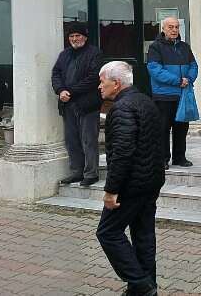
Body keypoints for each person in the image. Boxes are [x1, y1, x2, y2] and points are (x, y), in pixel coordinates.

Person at [96, 61, 164, 296]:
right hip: (150, 181)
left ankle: (141, 284)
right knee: (143, 235)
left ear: (116, 83)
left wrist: (111, 190)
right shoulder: (145, 101)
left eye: (102, 82)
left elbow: (122, 153)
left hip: (132, 185)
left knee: (108, 232)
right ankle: (146, 287)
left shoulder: (122, 108)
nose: (99, 87)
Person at [51, 22, 104, 187]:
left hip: (88, 104)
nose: (74, 39)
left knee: (88, 140)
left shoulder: (95, 53)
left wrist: (70, 91)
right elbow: (56, 73)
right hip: (67, 104)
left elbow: (94, 78)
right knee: (72, 140)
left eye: (78, 35)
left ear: (85, 37)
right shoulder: (64, 54)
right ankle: (76, 172)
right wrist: (60, 90)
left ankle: (91, 173)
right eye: (71, 36)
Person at [147, 17, 197, 168]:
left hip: (182, 95)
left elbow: (194, 66)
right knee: (162, 129)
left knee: (181, 128)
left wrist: (189, 79)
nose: (174, 30)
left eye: (176, 27)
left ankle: (179, 158)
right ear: (163, 29)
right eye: (170, 27)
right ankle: (162, 159)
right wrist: (178, 81)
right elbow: (155, 70)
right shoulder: (155, 47)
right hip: (164, 96)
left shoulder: (184, 47)